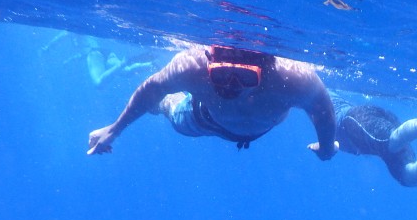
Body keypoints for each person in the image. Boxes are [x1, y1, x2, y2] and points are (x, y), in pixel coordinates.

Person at [87, 45, 338, 159]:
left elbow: (322, 108)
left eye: (246, 77)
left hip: (255, 127)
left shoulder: (293, 77)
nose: (231, 84)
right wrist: (114, 129)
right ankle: (164, 105)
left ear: (265, 69)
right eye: (220, 74)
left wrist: (327, 147)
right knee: (169, 109)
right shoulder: (191, 66)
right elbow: (154, 87)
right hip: (202, 118)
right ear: (209, 61)